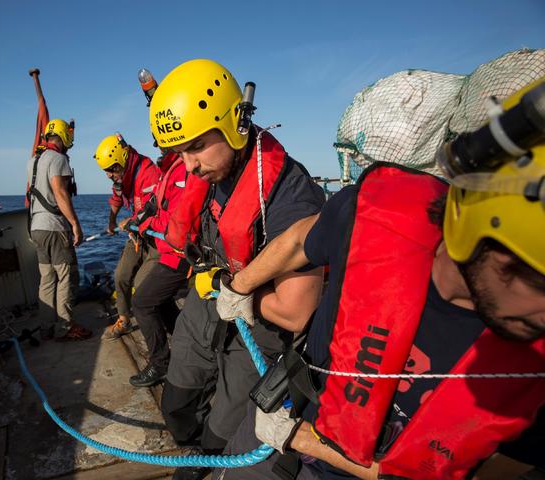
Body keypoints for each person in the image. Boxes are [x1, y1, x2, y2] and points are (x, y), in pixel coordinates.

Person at [214, 79, 545, 479]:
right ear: (478, 226)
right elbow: (299, 239)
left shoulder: (533, 379)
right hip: (287, 405)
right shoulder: (372, 218)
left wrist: (302, 440)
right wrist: (240, 286)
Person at [148, 59, 326, 480]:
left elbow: (298, 312)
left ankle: (206, 462)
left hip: (256, 330)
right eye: (179, 152)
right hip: (206, 302)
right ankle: (191, 448)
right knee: (177, 402)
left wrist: (238, 291)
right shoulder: (216, 168)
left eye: (195, 147)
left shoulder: (289, 195)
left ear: (234, 125)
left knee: (222, 430)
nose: (188, 166)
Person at [129, 149, 189, 387]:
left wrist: (145, 222)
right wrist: (140, 218)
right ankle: (186, 344)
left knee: (142, 303)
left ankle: (161, 364)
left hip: (179, 254)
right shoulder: (171, 169)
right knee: (160, 301)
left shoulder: (181, 169)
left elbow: (176, 221)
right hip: (171, 251)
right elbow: (156, 204)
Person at [27, 118, 91, 341]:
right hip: (54, 228)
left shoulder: (34, 160)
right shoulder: (58, 159)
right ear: (64, 137)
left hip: (36, 227)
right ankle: (66, 327)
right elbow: (60, 193)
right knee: (66, 277)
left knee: (47, 278)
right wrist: (75, 224)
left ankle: (46, 327)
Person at [94, 133, 161, 340]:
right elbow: (116, 197)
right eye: (106, 172)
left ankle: (156, 330)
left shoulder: (149, 173)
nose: (109, 175)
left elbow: (155, 207)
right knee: (120, 276)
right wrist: (112, 221)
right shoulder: (121, 176)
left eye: (112, 170)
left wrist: (131, 222)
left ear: (122, 159)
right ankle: (124, 319)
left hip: (156, 239)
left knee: (142, 286)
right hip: (137, 236)